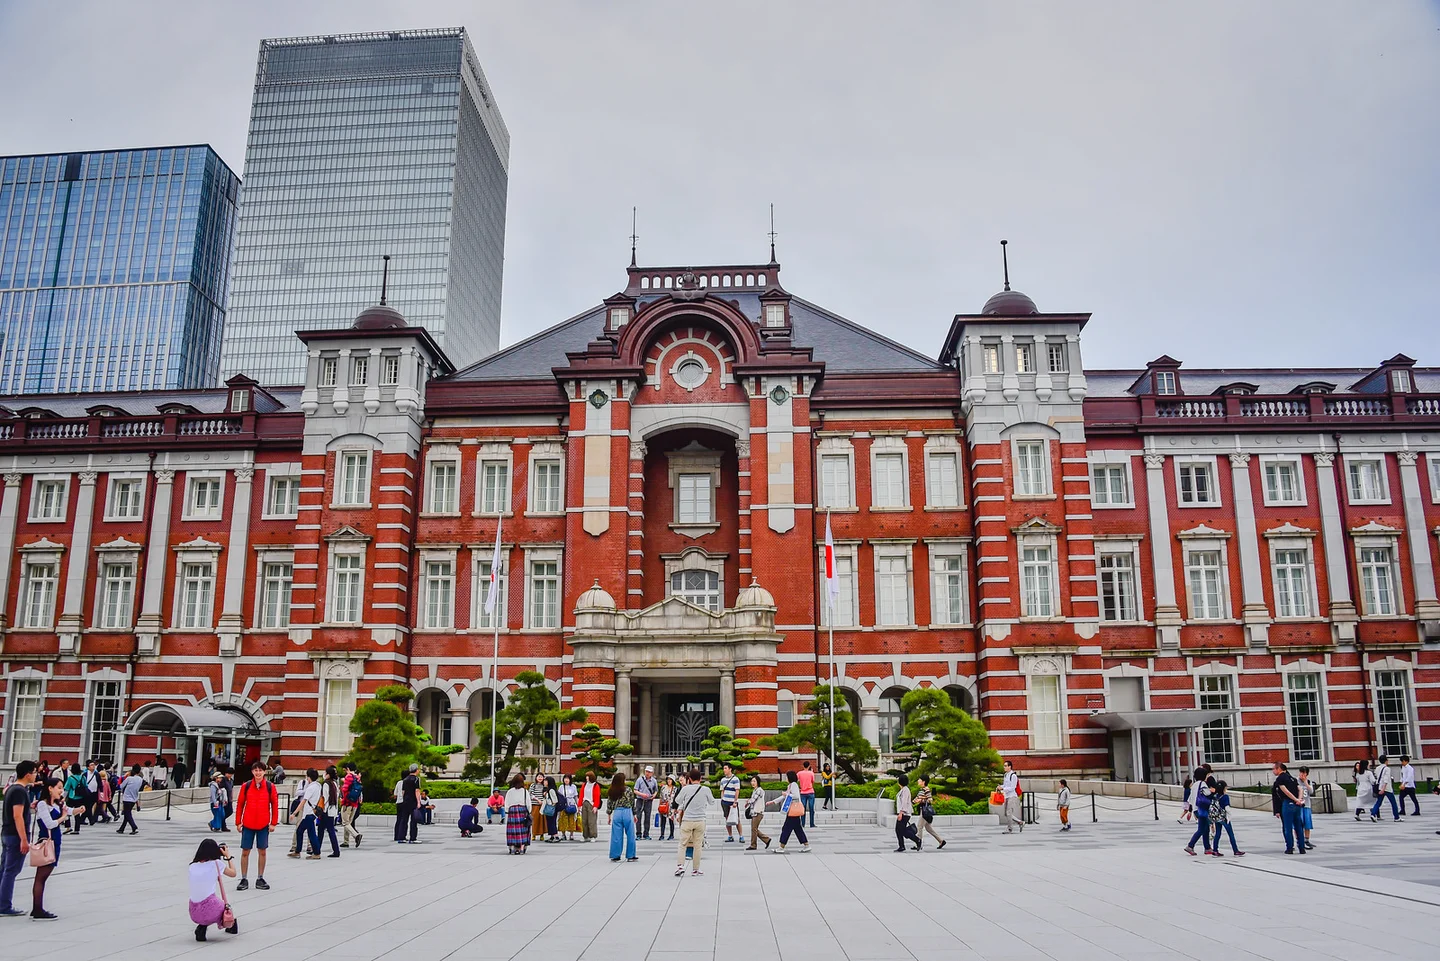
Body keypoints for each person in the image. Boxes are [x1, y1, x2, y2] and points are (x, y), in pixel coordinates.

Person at [30, 776, 81, 920]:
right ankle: (37, 909)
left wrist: (80, 809)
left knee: (44, 876)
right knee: (41, 877)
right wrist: (63, 817)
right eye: (59, 787)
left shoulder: (57, 803)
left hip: (55, 842)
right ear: (50, 789)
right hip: (47, 842)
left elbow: (69, 810)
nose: (61, 791)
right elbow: (50, 824)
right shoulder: (42, 805)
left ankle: (37, 908)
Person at [0, 761, 38, 917]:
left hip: (7, 833)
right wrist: (23, 839)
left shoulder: (12, 789)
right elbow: (17, 816)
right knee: (11, 870)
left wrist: (30, 806)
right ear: (28, 774)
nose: (36, 774)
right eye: (35, 771)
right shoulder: (19, 791)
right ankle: (4, 905)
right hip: (15, 835)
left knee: (5, 869)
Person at [234, 761, 278, 891]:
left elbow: (274, 805)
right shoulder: (246, 786)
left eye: (260, 770)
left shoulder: (270, 786)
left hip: (263, 824)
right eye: (255, 770)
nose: (258, 773)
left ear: (264, 772)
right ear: (252, 772)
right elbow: (240, 804)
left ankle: (260, 877)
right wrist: (238, 822)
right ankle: (244, 878)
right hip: (248, 823)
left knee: (262, 851)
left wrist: (273, 823)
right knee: (245, 851)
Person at [188, 838, 239, 942]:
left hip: (194, 911)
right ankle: (231, 925)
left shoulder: (192, 866)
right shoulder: (216, 864)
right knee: (225, 908)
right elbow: (233, 873)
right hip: (210, 907)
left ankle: (202, 927)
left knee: (207, 904)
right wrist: (228, 857)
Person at [672, 769, 715, 877]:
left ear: (689, 779)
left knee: (682, 844)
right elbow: (712, 802)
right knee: (697, 845)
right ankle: (696, 869)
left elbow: (677, 801)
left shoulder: (686, 789)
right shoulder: (706, 789)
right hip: (700, 820)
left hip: (687, 820)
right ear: (701, 778)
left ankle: (680, 866)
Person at [772, 770, 811, 853]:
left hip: (793, 811)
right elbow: (784, 796)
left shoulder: (794, 785)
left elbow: (795, 795)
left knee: (786, 828)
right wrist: (773, 801)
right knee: (798, 829)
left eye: (786, 776)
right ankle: (806, 845)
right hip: (793, 811)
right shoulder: (790, 786)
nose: (786, 778)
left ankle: (781, 847)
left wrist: (787, 795)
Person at [1272, 762, 1306, 855]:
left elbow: (1285, 791)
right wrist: (1299, 799)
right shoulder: (1292, 778)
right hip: (1297, 805)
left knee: (1287, 827)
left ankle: (1290, 848)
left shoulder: (1280, 779)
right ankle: (1302, 847)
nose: (1273, 771)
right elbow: (1300, 789)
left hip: (1288, 803)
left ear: (1279, 769)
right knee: (1298, 826)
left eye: (1274, 769)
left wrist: (1294, 799)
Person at [290, 768, 322, 859]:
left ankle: (316, 853)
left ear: (308, 777)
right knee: (300, 831)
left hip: (308, 813)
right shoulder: (318, 786)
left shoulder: (310, 788)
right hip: (312, 813)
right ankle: (297, 851)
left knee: (311, 834)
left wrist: (294, 813)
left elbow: (303, 801)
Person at [607, 772, 638, 862]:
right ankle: (630, 855)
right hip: (627, 812)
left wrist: (609, 815)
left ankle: (615, 855)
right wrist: (634, 814)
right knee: (630, 834)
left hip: (617, 812)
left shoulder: (612, 790)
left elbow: (609, 804)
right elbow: (632, 803)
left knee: (616, 835)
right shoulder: (628, 790)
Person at [1208, 781, 1244, 857]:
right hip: (1224, 818)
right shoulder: (1225, 797)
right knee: (1230, 834)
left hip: (1217, 817)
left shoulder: (1215, 796)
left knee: (1218, 833)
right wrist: (1229, 817)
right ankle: (1235, 850)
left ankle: (1215, 849)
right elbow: (1227, 808)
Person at [1185, 773, 1214, 856]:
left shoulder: (1194, 785)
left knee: (1205, 829)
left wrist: (1191, 810)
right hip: (1201, 809)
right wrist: (1212, 790)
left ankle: (1207, 848)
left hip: (1196, 809)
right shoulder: (1202, 784)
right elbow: (1207, 793)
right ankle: (1190, 846)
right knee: (1201, 829)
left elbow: (1190, 799)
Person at [914, 775, 947, 849]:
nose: (918, 781)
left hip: (925, 811)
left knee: (919, 826)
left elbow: (930, 800)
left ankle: (919, 844)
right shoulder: (921, 790)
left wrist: (922, 800)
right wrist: (911, 803)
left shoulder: (926, 789)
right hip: (923, 810)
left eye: (919, 779)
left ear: (923, 781)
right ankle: (941, 841)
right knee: (928, 828)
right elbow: (917, 798)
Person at [504, 773, 532, 855]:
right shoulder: (525, 791)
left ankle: (512, 848)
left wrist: (507, 811)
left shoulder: (510, 791)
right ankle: (522, 848)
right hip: (522, 810)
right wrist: (529, 811)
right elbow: (528, 803)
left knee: (512, 830)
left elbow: (507, 803)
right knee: (523, 830)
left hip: (512, 811)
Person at [894, 772, 921, 852]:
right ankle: (902, 845)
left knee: (900, 830)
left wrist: (901, 813)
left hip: (904, 813)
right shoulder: (903, 790)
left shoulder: (905, 790)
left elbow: (904, 802)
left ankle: (916, 840)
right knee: (900, 830)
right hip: (903, 813)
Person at [318, 766, 341, 857]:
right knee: (323, 830)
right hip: (333, 810)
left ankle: (335, 851)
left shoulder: (326, 784)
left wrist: (323, 810)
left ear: (328, 774)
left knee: (326, 830)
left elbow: (325, 798)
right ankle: (318, 848)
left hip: (326, 811)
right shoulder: (334, 784)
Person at [339, 763, 364, 848]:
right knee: (348, 822)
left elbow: (345, 790)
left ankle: (356, 835)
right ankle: (346, 841)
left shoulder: (348, 776)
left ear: (348, 768)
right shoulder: (357, 778)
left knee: (345, 822)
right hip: (355, 804)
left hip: (347, 803)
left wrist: (343, 801)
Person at [1370, 755, 1401, 822]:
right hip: (1387, 788)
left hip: (1379, 787)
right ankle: (1396, 817)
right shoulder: (1387, 769)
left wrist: (1381, 788)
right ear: (1386, 761)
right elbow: (1386, 779)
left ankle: (1373, 814)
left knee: (1378, 802)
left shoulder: (1377, 768)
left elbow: (1376, 777)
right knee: (1393, 803)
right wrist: (1384, 789)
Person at [744, 775, 771, 850]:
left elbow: (753, 800)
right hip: (755, 812)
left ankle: (753, 845)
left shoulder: (759, 790)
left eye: (754, 781)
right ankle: (767, 840)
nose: (752, 783)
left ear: (758, 782)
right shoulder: (755, 790)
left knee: (754, 829)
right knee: (754, 829)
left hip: (758, 812)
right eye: (752, 781)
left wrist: (748, 801)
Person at [396, 764, 420, 844]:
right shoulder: (416, 779)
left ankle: (401, 837)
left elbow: (403, 792)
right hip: (413, 801)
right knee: (413, 820)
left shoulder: (405, 779)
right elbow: (417, 791)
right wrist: (418, 802)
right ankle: (413, 838)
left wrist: (404, 799)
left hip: (405, 801)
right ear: (416, 770)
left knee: (404, 820)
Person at [116, 764, 144, 835]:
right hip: (134, 799)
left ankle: (134, 826)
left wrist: (124, 776)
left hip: (127, 798)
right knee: (127, 814)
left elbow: (121, 786)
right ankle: (121, 829)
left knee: (127, 814)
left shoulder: (129, 778)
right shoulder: (141, 780)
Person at [718, 764, 742, 842]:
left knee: (737, 819)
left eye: (725, 768)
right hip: (725, 802)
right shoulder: (723, 780)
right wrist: (722, 800)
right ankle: (730, 835)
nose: (724, 770)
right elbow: (722, 791)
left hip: (733, 803)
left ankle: (741, 835)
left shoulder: (735, 779)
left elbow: (737, 791)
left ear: (730, 769)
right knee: (727, 819)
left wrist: (735, 801)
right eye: (723, 768)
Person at [633, 766, 658, 840]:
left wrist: (654, 795)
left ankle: (646, 834)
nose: (647, 773)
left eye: (649, 772)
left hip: (649, 801)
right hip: (640, 800)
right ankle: (638, 834)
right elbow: (635, 790)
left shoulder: (654, 781)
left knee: (647, 817)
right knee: (638, 817)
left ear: (652, 773)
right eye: (647, 771)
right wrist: (642, 794)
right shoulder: (640, 780)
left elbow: (656, 790)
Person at [1000, 760, 1022, 834]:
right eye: (1004, 766)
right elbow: (1005, 785)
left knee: (1008, 812)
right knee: (1006, 813)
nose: (1004, 767)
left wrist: (1003, 789)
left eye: (1006, 766)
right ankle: (1020, 822)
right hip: (1007, 796)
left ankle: (1010, 828)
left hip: (1012, 796)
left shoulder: (1013, 776)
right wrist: (1000, 787)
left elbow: (1013, 787)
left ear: (1010, 766)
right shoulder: (1006, 775)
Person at [579, 773, 601, 842]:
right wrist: (579, 805)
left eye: (588, 776)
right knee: (584, 821)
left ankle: (593, 835)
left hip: (592, 803)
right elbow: (581, 795)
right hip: (584, 802)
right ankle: (585, 835)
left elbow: (597, 796)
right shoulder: (584, 785)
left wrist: (595, 806)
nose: (586, 778)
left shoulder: (595, 786)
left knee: (592, 821)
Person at [797, 760, 817, 827]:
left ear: (803, 766)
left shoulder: (799, 773)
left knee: (803, 808)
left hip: (803, 792)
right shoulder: (811, 773)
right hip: (810, 791)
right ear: (809, 766)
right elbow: (813, 781)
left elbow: (795, 780)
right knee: (811, 808)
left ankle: (802, 824)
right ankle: (812, 823)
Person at [559, 773, 579, 841]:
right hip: (563, 805)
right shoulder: (561, 787)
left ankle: (571, 834)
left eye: (568, 778)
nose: (566, 780)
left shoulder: (573, 786)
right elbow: (559, 796)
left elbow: (576, 796)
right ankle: (563, 834)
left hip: (571, 804)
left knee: (572, 820)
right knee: (563, 820)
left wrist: (578, 805)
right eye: (565, 778)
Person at [528, 772, 547, 842]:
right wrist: (537, 799)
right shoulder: (533, 785)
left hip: (543, 805)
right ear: (536, 777)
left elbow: (546, 794)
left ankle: (542, 834)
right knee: (535, 820)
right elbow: (530, 794)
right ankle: (534, 834)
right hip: (535, 805)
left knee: (542, 820)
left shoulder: (544, 786)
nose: (540, 778)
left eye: (541, 777)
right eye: (539, 776)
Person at [657, 776, 676, 842]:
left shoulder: (675, 789)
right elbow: (661, 797)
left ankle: (671, 834)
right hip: (664, 806)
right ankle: (662, 834)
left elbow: (676, 799)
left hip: (671, 806)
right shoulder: (663, 787)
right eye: (668, 779)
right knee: (663, 821)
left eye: (670, 779)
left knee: (671, 821)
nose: (669, 781)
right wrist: (659, 805)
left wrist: (676, 808)